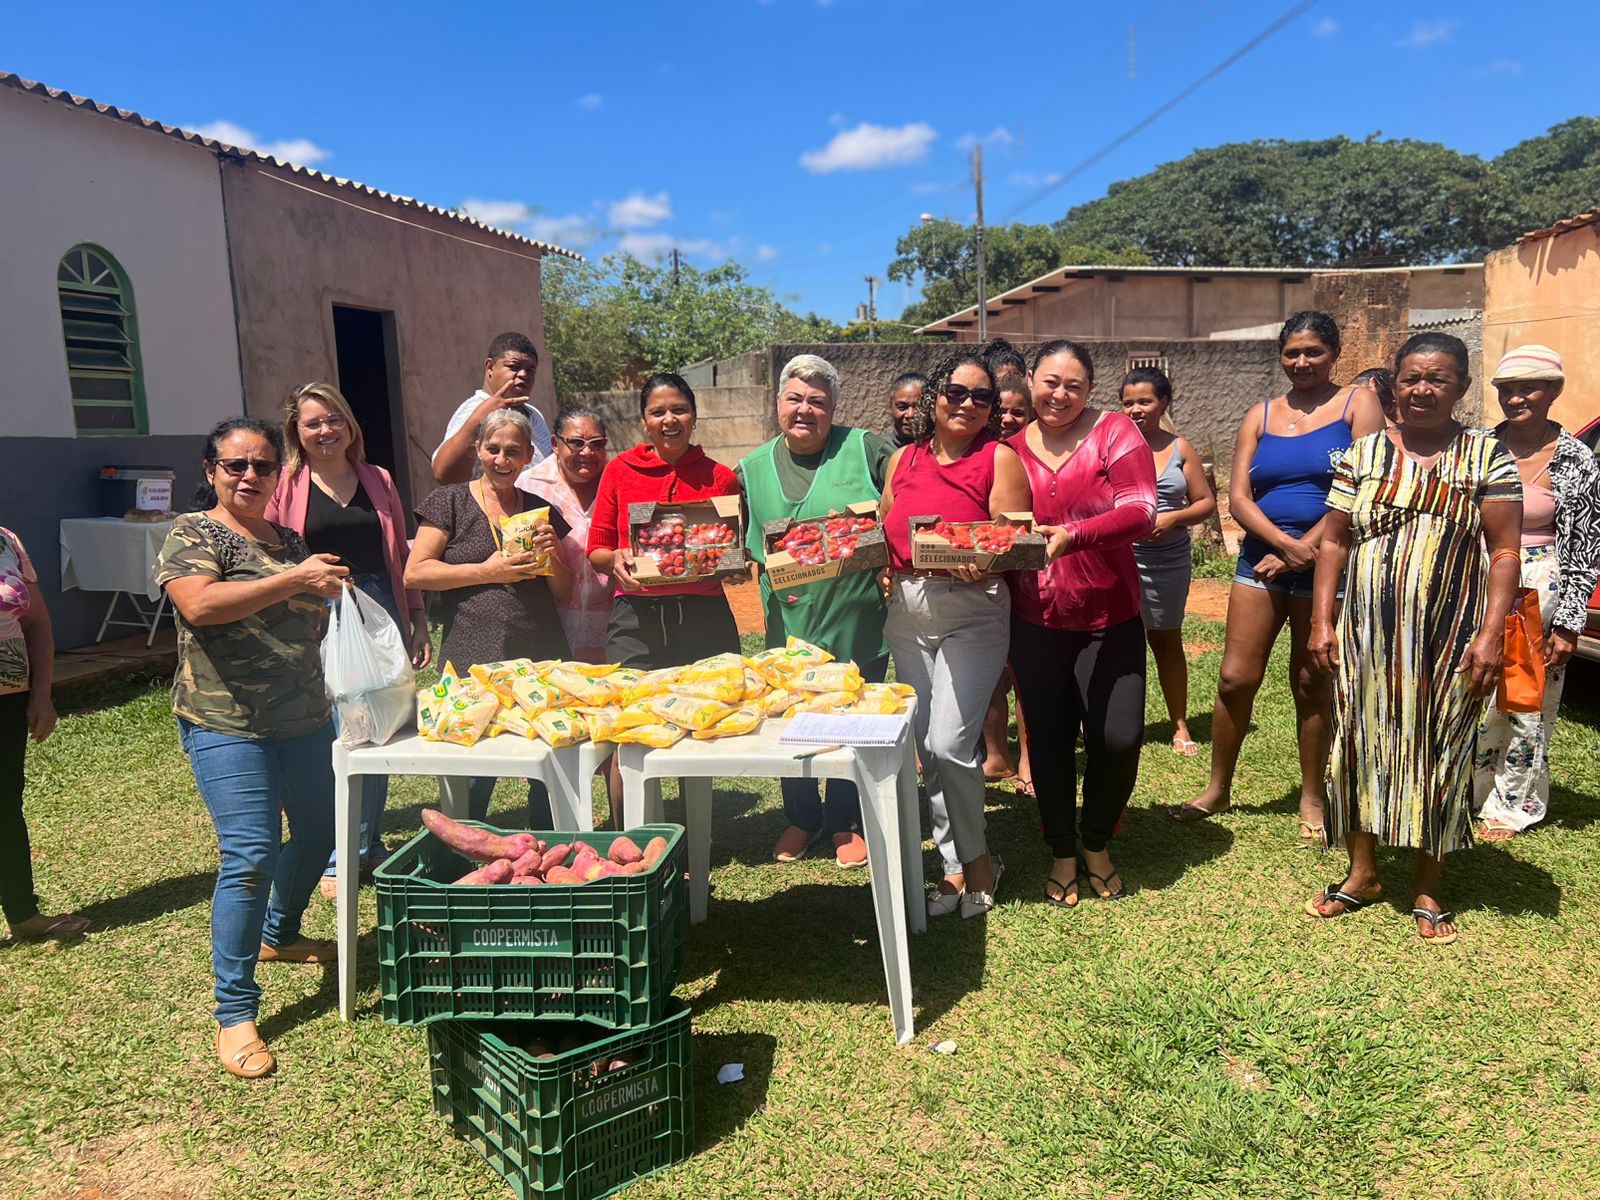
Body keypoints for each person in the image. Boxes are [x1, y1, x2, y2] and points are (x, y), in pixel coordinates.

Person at [1307, 332, 1524, 945]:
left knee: (1444, 745)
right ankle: (1363, 873)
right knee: (1358, 741)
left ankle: (1428, 882)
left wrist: (1490, 634)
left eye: (1438, 378)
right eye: (1410, 379)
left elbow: (1504, 550)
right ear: (1393, 385)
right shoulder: (1364, 454)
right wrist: (1323, 620)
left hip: (1453, 632)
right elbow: (1335, 541)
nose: (1422, 389)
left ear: (1460, 385)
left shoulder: (1487, 455)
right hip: (1368, 632)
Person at [157, 418, 349, 1079]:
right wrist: (297, 581)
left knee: (324, 830)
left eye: (262, 466)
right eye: (234, 464)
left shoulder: (288, 539)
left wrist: (324, 597)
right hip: (224, 722)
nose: (248, 476)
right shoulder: (194, 534)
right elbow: (201, 605)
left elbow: (304, 619)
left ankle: (279, 933)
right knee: (250, 853)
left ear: (277, 475)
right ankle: (235, 1012)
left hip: (302, 718)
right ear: (210, 469)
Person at [1174, 312, 1384, 840]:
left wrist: (1307, 550)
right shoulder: (1260, 415)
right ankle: (1218, 787)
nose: (1302, 362)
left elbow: (1367, 488)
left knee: (1312, 680)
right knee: (1234, 678)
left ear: (1334, 353)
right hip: (1261, 561)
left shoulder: (1358, 405)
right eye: (1292, 352)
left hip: (1330, 564)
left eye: (1313, 351)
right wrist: (1285, 546)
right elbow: (1239, 498)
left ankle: (1312, 795)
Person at [876, 352, 1038, 919]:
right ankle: (952, 866)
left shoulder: (999, 459)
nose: (968, 403)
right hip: (908, 612)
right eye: (956, 392)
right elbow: (886, 525)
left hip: (972, 608)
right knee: (926, 747)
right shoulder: (902, 459)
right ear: (933, 396)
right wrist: (879, 566)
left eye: (982, 397)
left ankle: (980, 862)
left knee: (949, 742)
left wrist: (984, 558)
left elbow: (1014, 538)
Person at [1007, 341, 1157, 908]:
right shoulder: (1009, 449)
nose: (1059, 394)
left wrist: (1074, 533)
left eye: (1073, 385)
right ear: (1029, 380)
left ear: (1090, 389)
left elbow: (1142, 510)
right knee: (1046, 740)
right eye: (1049, 381)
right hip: (1035, 617)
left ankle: (1097, 839)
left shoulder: (1116, 432)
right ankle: (1062, 849)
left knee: (1117, 738)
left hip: (1109, 614)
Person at [265, 382, 430, 896]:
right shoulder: (286, 484)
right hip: (314, 617)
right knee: (332, 730)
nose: (326, 430)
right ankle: (339, 852)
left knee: (375, 726)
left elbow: (398, 557)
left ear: (350, 424)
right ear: (297, 430)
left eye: (334, 418)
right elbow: (269, 554)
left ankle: (364, 839)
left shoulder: (378, 478)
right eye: (313, 422)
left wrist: (418, 618)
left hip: (377, 612)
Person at [739, 354, 893, 868]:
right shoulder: (751, 469)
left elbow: (902, 498)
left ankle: (845, 821)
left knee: (856, 723)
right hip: (791, 625)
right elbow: (735, 545)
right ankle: (803, 818)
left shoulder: (866, 449)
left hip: (859, 620)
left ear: (834, 408)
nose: (805, 410)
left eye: (818, 402)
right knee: (792, 723)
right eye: (795, 399)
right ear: (778, 403)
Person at [406, 408, 572, 823]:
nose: (502, 459)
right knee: (474, 764)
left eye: (513, 451)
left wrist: (553, 557)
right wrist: (486, 571)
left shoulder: (540, 510)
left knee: (546, 763)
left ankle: (547, 852)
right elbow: (416, 571)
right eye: (493, 449)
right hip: (471, 654)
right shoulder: (451, 502)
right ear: (478, 450)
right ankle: (461, 851)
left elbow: (564, 592)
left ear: (528, 455)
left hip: (538, 650)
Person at [1473, 346, 1600, 839]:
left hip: (1539, 587)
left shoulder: (1575, 458)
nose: (1515, 398)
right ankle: (1471, 789)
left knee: (1526, 697)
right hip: (1479, 580)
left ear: (1553, 392)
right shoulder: (1482, 446)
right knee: (1475, 689)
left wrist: (1569, 622)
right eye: (1506, 390)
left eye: (1527, 388)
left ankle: (1512, 803)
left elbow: (1587, 544)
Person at [587, 374, 742, 669]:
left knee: (715, 706)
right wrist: (614, 560)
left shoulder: (721, 478)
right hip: (635, 618)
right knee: (634, 708)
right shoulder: (619, 471)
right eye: (657, 412)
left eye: (679, 410)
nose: (669, 420)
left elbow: (733, 546)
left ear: (694, 417)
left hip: (706, 617)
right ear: (644, 422)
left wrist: (734, 567)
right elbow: (596, 551)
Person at [1122, 367, 1217, 755]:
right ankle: (1119, 723)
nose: (1135, 409)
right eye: (1127, 402)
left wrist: (1173, 518)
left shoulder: (1181, 448)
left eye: (1144, 401)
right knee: (1119, 641)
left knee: (1165, 638)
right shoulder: (1112, 446)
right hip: (1121, 558)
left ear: (1163, 402)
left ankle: (1179, 724)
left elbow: (1206, 503)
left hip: (1168, 559)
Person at [2, 526, 89, 943]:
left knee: (5, 807)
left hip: (8, 699)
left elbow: (36, 622)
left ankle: (22, 914)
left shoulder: (6, 541)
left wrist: (41, 695)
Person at [517, 405, 614, 663]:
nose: (587, 452)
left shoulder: (617, 484)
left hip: (610, 628)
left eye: (597, 444)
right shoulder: (528, 487)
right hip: (547, 627)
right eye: (576, 443)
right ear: (555, 444)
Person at [979, 370, 1035, 788]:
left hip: (1030, 577)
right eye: (1003, 410)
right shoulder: (981, 453)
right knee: (990, 673)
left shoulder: (1036, 453)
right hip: (987, 575)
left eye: (1019, 411)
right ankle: (997, 754)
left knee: (1024, 672)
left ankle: (1031, 760)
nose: (1009, 419)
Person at [431, 332, 554, 485]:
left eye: (530, 370)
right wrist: (481, 417)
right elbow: (443, 474)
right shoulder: (475, 409)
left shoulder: (533, 414)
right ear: (490, 367)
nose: (523, 374)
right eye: (514, 367)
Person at [888, 371, 925, 449]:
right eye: (902, 407)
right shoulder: (878, 450)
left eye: (919, 407)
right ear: (890, 408)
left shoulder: (942, 450)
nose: (910, 414)